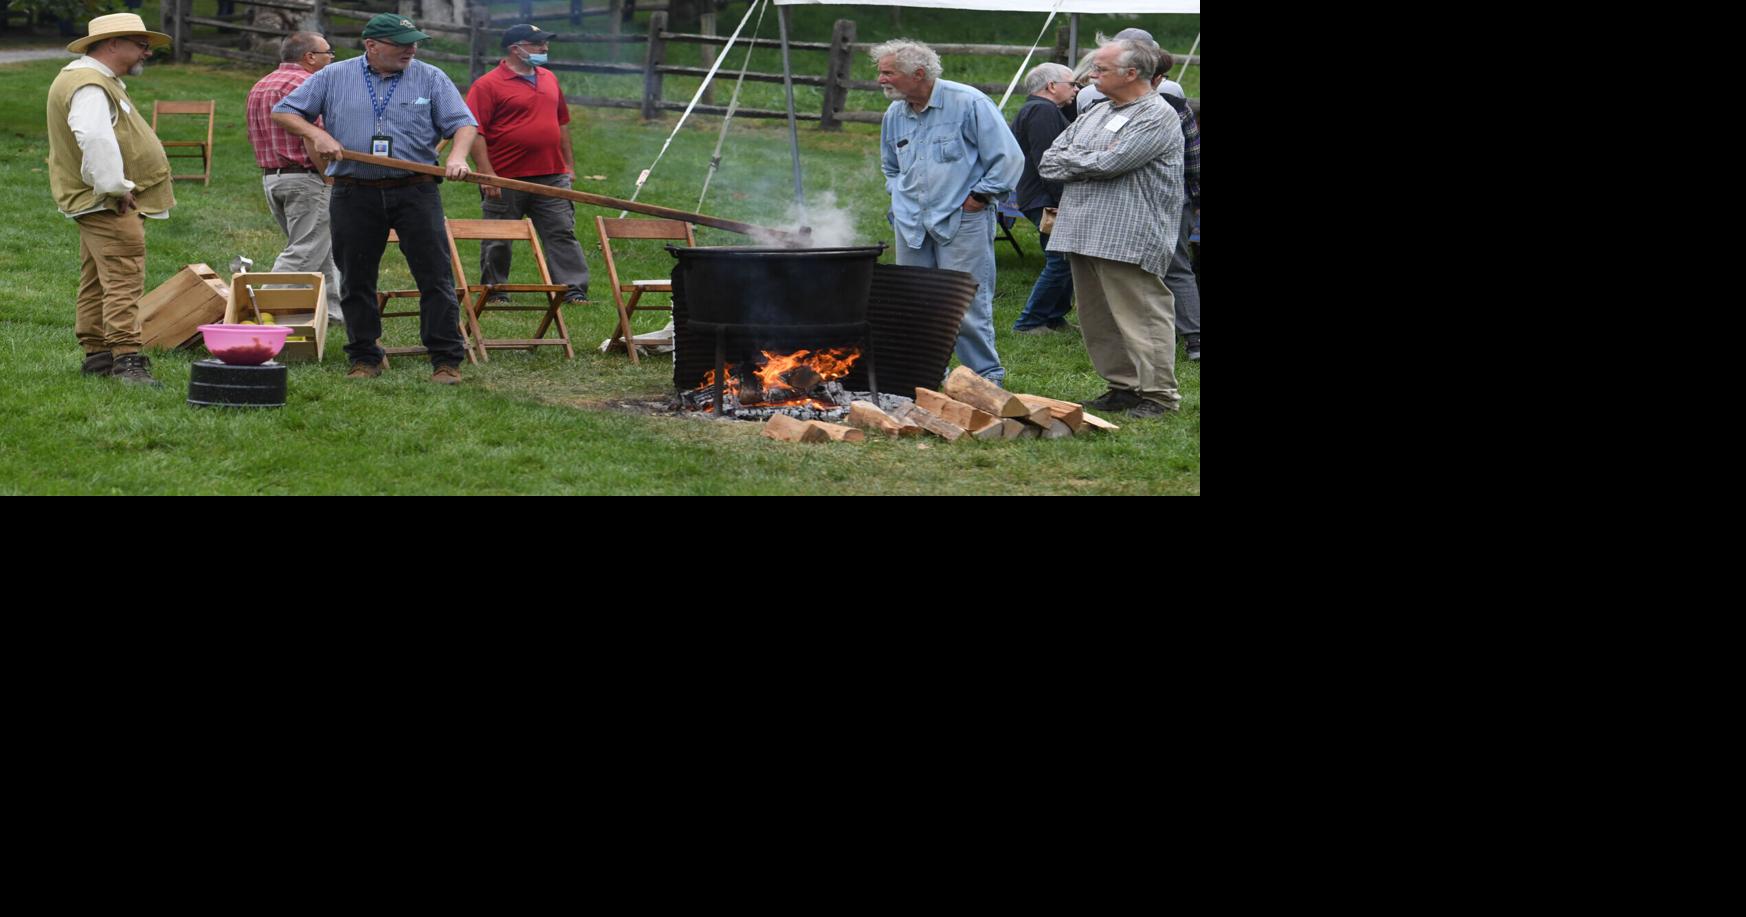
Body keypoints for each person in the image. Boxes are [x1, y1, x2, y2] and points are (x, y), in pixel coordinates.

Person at [272, 13, 478, 384]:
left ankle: (446, 360)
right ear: (371, 45)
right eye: (401, 44)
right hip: (354, 191)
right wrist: (317, 134)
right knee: (355, 278)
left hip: (415, 189)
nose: (411, 50)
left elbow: (463, 123)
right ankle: (364, 357)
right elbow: (285, 111)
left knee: (435, 276)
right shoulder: (334, 76)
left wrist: (458, 157)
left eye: (414, 43)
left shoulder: (430, 77)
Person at [1039, 39, 1184, 418]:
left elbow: (1113, 163)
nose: (1090, 76)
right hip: (1081, 230)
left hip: (1128, 234)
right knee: (1097, 318)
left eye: (1100, 69)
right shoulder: (1096, 110)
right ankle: (1123, 387)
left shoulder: (1157, 114)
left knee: (1143, 316)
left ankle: (1159, 395)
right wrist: (1092, 159)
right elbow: (1049, 161)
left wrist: (1082, 161)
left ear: (1131, 73)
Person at [874, 38, 1022, 385]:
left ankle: (984, 379)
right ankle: (926, 375)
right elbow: (890, 166)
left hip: (963, 220)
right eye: (881, 72)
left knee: (966, 303)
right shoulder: (895, 113)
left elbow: (1008, 158)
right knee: (915, 302)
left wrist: (979, 198)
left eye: (888, 73)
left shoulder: (969, 102)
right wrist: (899, 196)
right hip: (910, 223)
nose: (881, 80)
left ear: (918, 73)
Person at [47, 13, 175, 387]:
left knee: (97, 279)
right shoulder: (88, 83)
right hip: (107, 201)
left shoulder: (91, 79)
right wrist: (115, 187)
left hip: (98, 199)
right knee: (123, 277)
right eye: (141, 45)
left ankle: (99, 357)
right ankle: (127, 361)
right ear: (113, 44)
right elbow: (94, 139)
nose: (147, 52)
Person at [466, 24, 590, 306]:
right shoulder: (487, 85)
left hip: (552, 174)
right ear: (515, 48)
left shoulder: (549, 78)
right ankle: (495, 291)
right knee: (498, 235)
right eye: (536, 44)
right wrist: (487, 174)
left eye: (545, 43)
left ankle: (573, 290)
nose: (544, 48)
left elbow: (561, 123)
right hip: (505, 176)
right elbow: (474, 131)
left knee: (561, 232)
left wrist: (568, 166)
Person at [246, 30, 343, 325]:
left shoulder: (262, 84)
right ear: (309, 57)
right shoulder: (305, 83)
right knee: (303, 252)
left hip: (273, 178)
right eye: (328, 53)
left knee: (320, 248)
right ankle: (259, 314)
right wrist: (329, 179)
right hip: (306, 177)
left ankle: (333, 314)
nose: (332, 58)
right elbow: (313, 138)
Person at [1009, 61, 1077, 334]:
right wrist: (1061, 201)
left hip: (1040, 194)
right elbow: (1048, 163)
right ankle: (1030, 322)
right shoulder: (1042, 110)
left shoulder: (1039, 109)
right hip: (1045, 197)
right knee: (1060, 258)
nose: (1076, 89)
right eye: (1071, 84)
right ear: (1051, 86)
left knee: (1066, 258)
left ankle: (1054, 318)